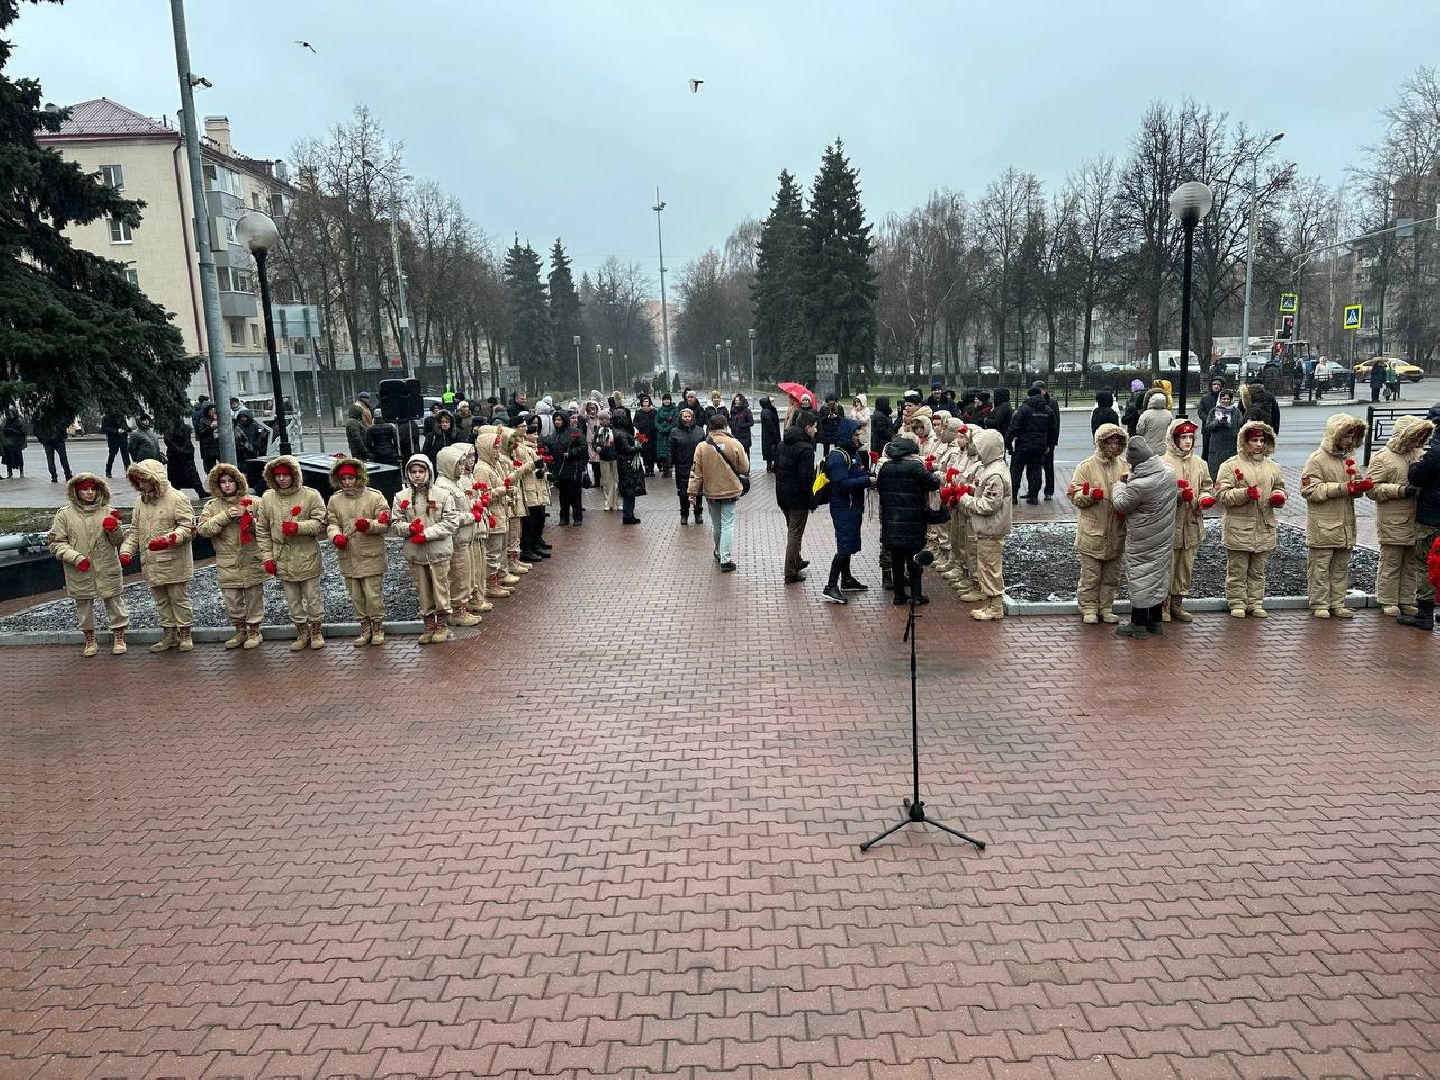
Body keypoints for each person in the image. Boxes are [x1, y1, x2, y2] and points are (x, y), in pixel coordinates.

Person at [46, 473, 129, 656]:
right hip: (80, 569)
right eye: (85, 489)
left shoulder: (108, 511)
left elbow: (117, 541)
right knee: (84, 605)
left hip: (106, 566)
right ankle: (90, 639)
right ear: (76, 491)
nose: (90, 493)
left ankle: (119, 636)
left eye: (93, 489)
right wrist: (76, 558)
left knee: (114, 601)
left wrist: (114, 528)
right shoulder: (65, 515)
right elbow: (56, 543)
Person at [120, 459, 196, 653]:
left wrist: (169, 539)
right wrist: (127, 550)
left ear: (155, 479)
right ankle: (169, 634)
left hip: (174, 560)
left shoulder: (177, 498)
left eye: (144, 480)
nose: (141, 484)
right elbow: (136, 531)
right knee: (161, 601)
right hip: (151, 563)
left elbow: (188, 528)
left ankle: (185, 634)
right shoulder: (140, 501)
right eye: (137, 481)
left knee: (178, 599)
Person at [1366, 414, 1435, 621]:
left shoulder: (1420, 454)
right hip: (1393, 519)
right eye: (1415, 436)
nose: (1418, 441)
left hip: (1416, 518)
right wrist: (1399, 491)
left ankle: (1407, 599)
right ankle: (1387, 600)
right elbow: (1372, 488)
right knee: (1391, 562)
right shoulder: (1382, 457)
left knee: (1412, 563)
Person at [1300, 413, 1368, 619]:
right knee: (1320, 568)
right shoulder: (1317, 459)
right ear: (1335, 435)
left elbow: (1353, 486)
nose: (1349, 441)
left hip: (1345, 524)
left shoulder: (1349, 458)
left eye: (1352, 437)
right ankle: (1320, 603)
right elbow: (1310, 491)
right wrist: (1343, 488)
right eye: (1346, 436)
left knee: (1340, 568)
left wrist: (1359, 487)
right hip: (1323, 524)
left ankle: (1337, 603)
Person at [256, 456, 328, 650]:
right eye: (277, 475)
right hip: (282, 557)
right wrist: (268, 558)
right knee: (292, 599)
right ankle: (301, 632)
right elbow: (262, 530)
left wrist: (299, 527)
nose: (281, 479)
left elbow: (321, 523)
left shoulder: (310, 496)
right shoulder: (267, 498)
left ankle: (316, 631)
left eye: (285, 475)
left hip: (306, 554)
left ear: (294, 475)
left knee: (312, 597)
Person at [1215, 421, 1285, 618]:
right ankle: (1237, 602)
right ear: (1245, 442)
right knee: (1237, 570)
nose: (1259, 444)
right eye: (1254, 440)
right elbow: (1222, 495)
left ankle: (1255, 602)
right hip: (1239, 527)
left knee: (1258, 571)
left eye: (1262, 440)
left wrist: (1278, 496)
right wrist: (1245, 493)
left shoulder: (1273, 467)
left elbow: (1279, 486)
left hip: (1264, 526)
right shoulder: (1230, 466)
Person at [1110, 437, 1178, 639]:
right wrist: (1132, 478)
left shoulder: (1139, 485)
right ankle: (1155, 621)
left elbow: (1122, 504)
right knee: (1157, 575)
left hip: (1142, 539)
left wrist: (1118, 486)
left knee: (1141, 577)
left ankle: (1138, 623)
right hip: (1164, 536)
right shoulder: (1168, 473)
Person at [390, 453, 461, 644]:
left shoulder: (443, 495)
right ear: (408, 474)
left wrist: (427, 534)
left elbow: (451, 523)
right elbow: (395, 523)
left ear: (428, 472)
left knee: (440, 588)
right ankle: (428, 624)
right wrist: (409, 528)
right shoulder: (400, 497)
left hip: (438, 551)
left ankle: (442, 624)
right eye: (413, 472)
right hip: (416, 553)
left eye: (421, 471)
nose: (417, 475)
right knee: (422, 590)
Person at [196, 462, 267, 651]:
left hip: (251, 557)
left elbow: (266, 529)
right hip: (227, 561)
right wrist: (224, 516)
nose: (227, 485)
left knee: (253, 598)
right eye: (223, 482)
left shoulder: (254, 502)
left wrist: (249, 519)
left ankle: (254, 631)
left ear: (238, 482)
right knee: (232, 601)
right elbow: (203, 530)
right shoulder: (212, 506)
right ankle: (240, 631)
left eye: (231, 481)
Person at [1067, 424, 1129, 624]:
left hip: (1117, 532)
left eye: (1116, 442)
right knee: (1091, 576)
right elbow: (1074, 494)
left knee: (1112, 575)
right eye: (1109, 441)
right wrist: (1089, 495)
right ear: (1100, 442)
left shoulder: (1125, 466)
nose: (1113, 445)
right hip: (1092, 532)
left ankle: (1106, 606)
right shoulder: (1086, 467)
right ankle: (1089, 607)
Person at [876, 424, 941, 605]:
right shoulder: (915, 467)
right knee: (914, 559)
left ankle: (898, 595)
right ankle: (916, 595)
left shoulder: (886, 467)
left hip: (892, 520)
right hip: (913, 521)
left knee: (896, 559)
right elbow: (933, 483)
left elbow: (880, 488)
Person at [955, 427, 1011, 621]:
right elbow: (983, 490)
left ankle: (995, 606)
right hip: (987, 527)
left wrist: (963, 498)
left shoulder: (995, 473)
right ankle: (990, 602)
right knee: (986, 566)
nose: (977, 451)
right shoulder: (990, 468)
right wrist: (970, 489)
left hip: (990, 528)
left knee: (989, 568)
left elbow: (989, 505)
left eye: (980, 447)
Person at [1160, 419, 1210, 623]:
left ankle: (1177, 603)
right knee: (1167, 567)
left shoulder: (1200, 463)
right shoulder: (1162, 463)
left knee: (1184, 568)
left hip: (1191, 525)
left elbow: (1207, 485)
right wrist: (1178, 496)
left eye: (1190, 437)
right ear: (1174, 439)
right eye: (1183, 437)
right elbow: (1157, 495)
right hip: (1170, 526)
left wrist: (1204, 498)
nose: (1187, 441)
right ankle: (1162, 604)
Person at [820, 417, 873, 604]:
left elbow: (855, 475)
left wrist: (868, 475)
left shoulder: (853, 454)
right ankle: (831, 585)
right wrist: (867, 481)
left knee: (849, 544)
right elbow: (842, 484)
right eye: (856, 434)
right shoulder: (838, 456)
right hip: (844, 507)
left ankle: (847, 579)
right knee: (844, 546)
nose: (859, 437)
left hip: (853, 506)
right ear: (847, 436)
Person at [688, 413, 748, 571]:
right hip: (730, 490)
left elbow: (696, 472)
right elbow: (744, 467)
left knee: (716, 525)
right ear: (725, 426)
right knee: (728, 524)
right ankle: (726, 558)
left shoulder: (702, 446)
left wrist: (692, 492)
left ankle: (718, 551)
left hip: (711, 491)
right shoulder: (734, 443)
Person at [434, 443, 484, 630]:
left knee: (465, 575)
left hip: (465, 537)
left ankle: (463, 607)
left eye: (464, 463)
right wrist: (472, 515)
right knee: (459, 576)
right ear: (449, 464)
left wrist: (475, 505)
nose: (463, 467)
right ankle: (457, 611)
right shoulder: (443, 486)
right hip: (457, 538)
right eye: (459, 464)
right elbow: (450, 516)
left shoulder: (454, 482)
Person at [1401, 403, 1440, 630]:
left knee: (1427, 563)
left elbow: (1418, 477)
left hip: (1432, 516)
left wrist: (1416, 465)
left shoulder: (1436, 451)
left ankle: (1424, 614)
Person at [474, 426, 518, 600]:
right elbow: (483, 494)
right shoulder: (482, 469)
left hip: (500, 512)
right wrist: (502, 491)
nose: (498, 451)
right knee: (492, 552)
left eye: (499, 447)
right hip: (492, 515)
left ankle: (499, 577)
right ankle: (492, 584)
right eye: (495, 447)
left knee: (499, 548)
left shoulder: (493, 466)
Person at [775, 410, 817, 584]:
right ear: (807, 427)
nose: (816, 431)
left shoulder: (783, 443)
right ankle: (790, 571)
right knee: (795, 533)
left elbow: (776, 468)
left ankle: (796, 561)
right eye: (815, 427)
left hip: (783, 495)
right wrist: (812, 500)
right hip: (798, 498)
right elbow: (806, 479)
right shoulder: (806, 449)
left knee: (793, 530)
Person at [1008, 384, 1050, 505]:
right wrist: (1049, 444)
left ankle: (1014, 497)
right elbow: (1052, 429)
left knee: (1016, 470)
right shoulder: (1047, 410)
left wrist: (1008, 442)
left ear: (1029, 395)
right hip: (1040, 446)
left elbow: (1014, 427)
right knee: (1036, 470)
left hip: (1023, 445)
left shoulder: (1023, 409)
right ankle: (1033, 496)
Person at [547, 410, 588, 526]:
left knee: (575, 494)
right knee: (563, 495)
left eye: (559, 419)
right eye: (555, 420)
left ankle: (577, 517)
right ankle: (564, 517)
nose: (557, 422)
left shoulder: (574, 432)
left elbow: (583, 445)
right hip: (560, 469)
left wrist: (571, 453)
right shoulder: (555, 435)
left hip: (573, 468)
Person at [610, 405, 645, 525]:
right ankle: (628, 515)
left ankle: (629, 514)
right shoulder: (621, 433)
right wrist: (638, 447)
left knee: (629, 491)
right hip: (627, 464)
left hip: (624, 463)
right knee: (629, 491)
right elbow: (627, 449)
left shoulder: (617, 431)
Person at [669, 407, 704, 525]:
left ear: (692, 417)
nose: (687, 418)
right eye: (685, 416)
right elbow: (670, 448)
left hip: (697, 465)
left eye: (689, 416)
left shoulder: (699, 431)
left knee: (698, 491)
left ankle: (698, 513)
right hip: (681, 465)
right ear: (681, 417)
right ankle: (684, 514)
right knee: (683, 492)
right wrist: (669, 463)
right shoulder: (675, 432)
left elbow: (705, 447)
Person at [1203, 389, 1242, 480]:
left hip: (1231, 444)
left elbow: (1240, 424)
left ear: (1231, 400)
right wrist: (1217, 423)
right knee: (1216, 467)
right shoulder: (1214, 411)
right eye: (1223, 399)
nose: (1225, 401)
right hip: (1217, 444)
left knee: (1230, 467)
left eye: (1228, 399)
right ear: (1220, 399)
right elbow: (1208, 427)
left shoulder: (1236, 412)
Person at [33, 398, 73, 483]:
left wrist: (41, 438)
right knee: (62, 458)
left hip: (51, 439)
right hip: (55, 439)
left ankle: (56, 476)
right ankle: (66, 475)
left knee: (52, 459)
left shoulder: (40, 413)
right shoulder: (54, 411)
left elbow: (35, 428)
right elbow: (64, 422)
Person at [164, 421, 207, 502]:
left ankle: (201, 492)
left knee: (192, 475)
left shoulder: (184, 427)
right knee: (177, 477)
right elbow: (168, 440)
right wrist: (179, 450)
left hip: (186, 455)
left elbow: (187, 440)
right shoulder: (170, 427)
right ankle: (175, 495)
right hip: (177, 457)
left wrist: (186, 449)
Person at [591, 407, 619, 512]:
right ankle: (607, 502)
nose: (603, 421)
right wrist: (596, 448)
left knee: (616, 480)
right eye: (601, 419)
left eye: (605, 419)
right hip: (603, 458)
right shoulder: (598, 430)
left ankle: (616, 502)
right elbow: (594, 443)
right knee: (606, 481)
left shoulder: (614, 429)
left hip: (615, 457)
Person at [1197, 376, 1226, 460]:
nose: (1216, 386)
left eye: (1218, 385)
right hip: (1207, 429)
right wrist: (1209, 420)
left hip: (1220, 429)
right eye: (1214, 384)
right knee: (1206, 450)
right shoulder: (1205, 398)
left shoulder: (1225, 398)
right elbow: (1201, 412)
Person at [1042, 385, 1061, 500]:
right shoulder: (1031, 402)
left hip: (1049, 439)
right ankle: (1032, 490)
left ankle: (1049, 490)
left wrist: (1052, 442)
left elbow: (1056, 424)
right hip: (1036, 440)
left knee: (1048, 467)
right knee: (1033, 467)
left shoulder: (1052, 403)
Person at [634, 394, 659, 476]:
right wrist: (641, 425)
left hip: (652, 435)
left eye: (647, 401)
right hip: (643, 436)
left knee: (652, 453)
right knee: (645, 453)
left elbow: (657, 421)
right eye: (644, 401)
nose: (645, 403)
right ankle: (647, 469)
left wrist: (654, 426)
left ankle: (651, 469)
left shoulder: (654, 411)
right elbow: (635, 422)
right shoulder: (639, 412)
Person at [100, 412, 131, 477]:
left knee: (126, 456)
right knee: (112, 455)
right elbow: (104, 429)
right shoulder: (106, 417)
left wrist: (126, 429)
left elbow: (125, 426)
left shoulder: (121, 416)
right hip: (113, 439)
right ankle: (108, 471)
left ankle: (128, 472)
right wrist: (116, 431)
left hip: (123, 438)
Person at [656, 392, 679, 479]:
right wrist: (660, 429)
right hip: (661, 434)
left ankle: (669, 469)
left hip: (670, 433)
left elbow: (674, 422)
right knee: (662, 452)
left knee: (670, 452)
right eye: (664, 399)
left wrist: (667, 429)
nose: (666, 401)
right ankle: (664, 468)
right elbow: (656, 421)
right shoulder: (660, 410)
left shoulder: (674, 410)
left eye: (668, 399)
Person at [757, 395, 780, 474]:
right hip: (770, 436)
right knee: (771, 451)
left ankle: (771, 467)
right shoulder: (766, 411)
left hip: (771, 435)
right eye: (771, 401)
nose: (773, 403)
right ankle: (770, 467)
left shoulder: (770, 410)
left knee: (772, 451)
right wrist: (774, 432)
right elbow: (769, 424)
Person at [1, 406, 26, 479]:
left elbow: (23, 432)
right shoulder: (5, 421)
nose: (9, 415)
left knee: (19, 458)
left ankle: (21, 472)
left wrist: (13, 431)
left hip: (17, 443)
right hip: (8, 443)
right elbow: (2, 431)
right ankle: (9, 473)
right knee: (8, 458)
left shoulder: (19, 420)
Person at [195, 404, 220, 474]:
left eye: (214, 410)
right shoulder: (203, 420)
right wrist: (210, 428)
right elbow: (201, 432)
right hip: (208, 448)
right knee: (210, 469)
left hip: (219, 447)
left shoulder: (219, 419)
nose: (213, 412)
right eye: (211, 410)